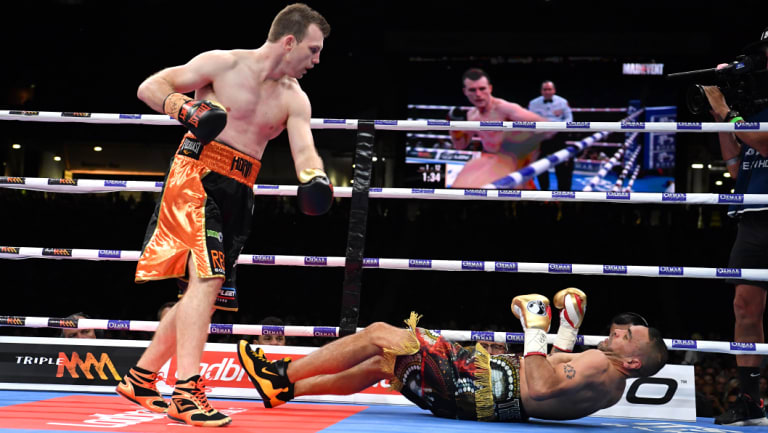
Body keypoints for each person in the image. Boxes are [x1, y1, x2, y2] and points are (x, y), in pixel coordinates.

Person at [114, 4, 333, 427]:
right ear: (289, 42)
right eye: (313, 49)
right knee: (207, 278)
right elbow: (150, 86)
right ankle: (187, 392)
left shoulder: (294, 98)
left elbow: (304, 149)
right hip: (196, 176)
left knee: (203, 292)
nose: (316, 60)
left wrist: (315, 177)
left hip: (240, 191)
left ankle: (141, 378)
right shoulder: (223, 63)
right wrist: (186, 109)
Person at [236, 288, 668, 422]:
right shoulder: (608, 386)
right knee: (381, 363)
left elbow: (539, 383)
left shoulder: (599, 365)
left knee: (381, 335)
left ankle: (281, 371)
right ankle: (286, 389)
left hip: (474, 385)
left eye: (629, 335)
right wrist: (566, 330)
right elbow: (554, 385)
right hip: (476, 395)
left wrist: (535, 332)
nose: (618, 330)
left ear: (633, 362)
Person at [702, 27, 768, 427]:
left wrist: (728, 111)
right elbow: (737, 165)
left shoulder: (755, 120)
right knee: (745, 308)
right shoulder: (756, 113)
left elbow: (765, 146)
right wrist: (719, 120)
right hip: (754, 219)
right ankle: (749, 400)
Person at [450, 68, 553, 189]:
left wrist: (526, 151)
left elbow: (546, 126)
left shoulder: (505, 109)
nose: (478, 94)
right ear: (465, 91)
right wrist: (454, 126)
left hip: (511, 164)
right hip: (490, 163)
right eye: (472, 90)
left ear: (490, 88)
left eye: (482, 89)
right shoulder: (471, 115)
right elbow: (460, 146)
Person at [528, 81, 574, 191]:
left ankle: (563, 192)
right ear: (541, 91)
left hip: (558, 136)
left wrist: (558, 127)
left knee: (562, 164)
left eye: (549, 89)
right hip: (541, 137)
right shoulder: (533, 103)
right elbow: (528, 118)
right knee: (540, 165)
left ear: (554, 90)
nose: (547, 92)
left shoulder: (563, 102)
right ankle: (544, 191)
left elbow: (569, 119)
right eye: (545, 89)